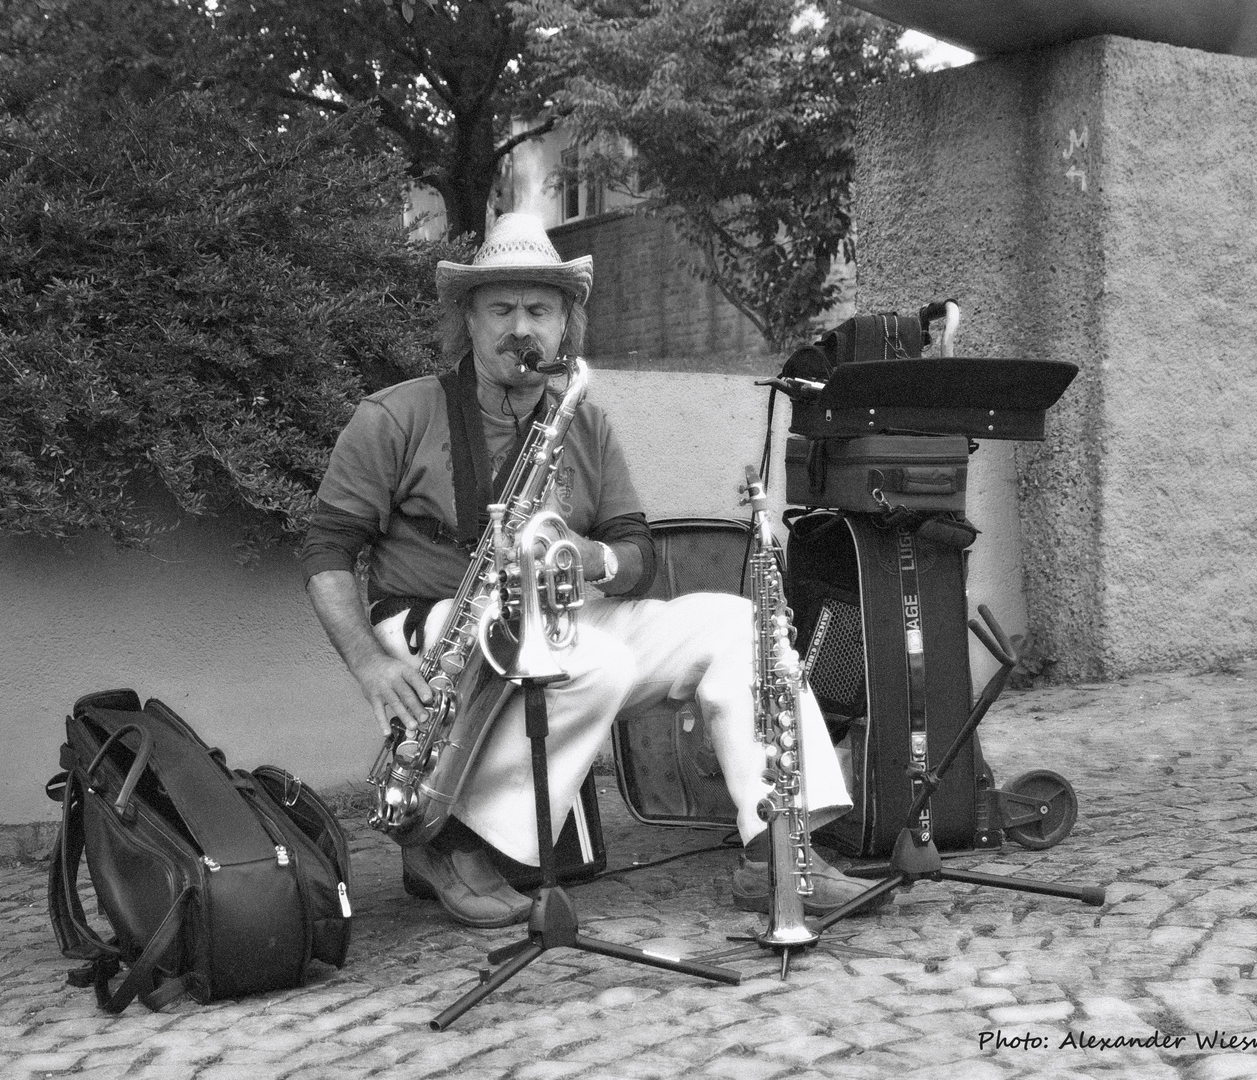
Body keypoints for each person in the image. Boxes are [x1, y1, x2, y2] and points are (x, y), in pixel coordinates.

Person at [300, 212, 869, 928]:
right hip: (436, 618)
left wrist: (589, 555)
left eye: (539, 310)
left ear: (565, 325)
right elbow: (326, 549)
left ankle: (781, 853)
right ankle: (450, 841)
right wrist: (368, 665)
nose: (521, 328)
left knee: (740, 626)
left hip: (557, 611)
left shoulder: (586, 422)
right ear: (467, 320)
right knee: (591, 660)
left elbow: (639, 554)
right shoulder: (394, 416)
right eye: (501, 308)